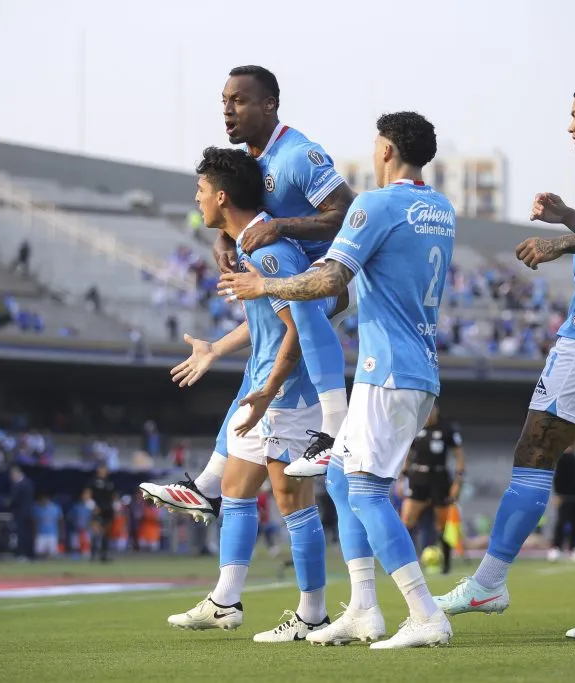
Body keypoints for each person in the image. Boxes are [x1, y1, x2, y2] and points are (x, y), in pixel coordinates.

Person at [432, 75, 575, 640]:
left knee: (534, 449)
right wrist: (569, 216)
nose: (570, 124)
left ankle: (489, 582)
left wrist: (561, 243)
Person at [219, 111, 455, 649]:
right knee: (343, 482)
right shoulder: (441, 208)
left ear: (388, 150)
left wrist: (263, 287)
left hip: (386, 369)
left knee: (367, 491)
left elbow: (332, 277)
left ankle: (425, 613)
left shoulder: (375, 204)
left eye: (376, 144)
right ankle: (364, 610)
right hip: (417, 364)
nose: (373, 152)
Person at [138, 65, 357, 521]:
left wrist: (279, 226)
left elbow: (349, 213)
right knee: (258, 391)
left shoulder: (298, 155)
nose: (227, 110)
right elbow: (241, 210)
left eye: (237, 100)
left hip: (324, 283)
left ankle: (334, 432)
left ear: (269, 104)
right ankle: (206, 489)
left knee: (290, 487)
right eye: (223, 101)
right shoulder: (251, 164)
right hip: (285, 282)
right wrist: (224, 240)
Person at [165, 146, 329, 643]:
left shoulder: (267, 251)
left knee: (292, 501)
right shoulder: (250, 246)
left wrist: (271, 388)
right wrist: (216, 348)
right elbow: (265, 324)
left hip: (287, 397)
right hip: (263, 392)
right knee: (235, 491)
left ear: (220, 196)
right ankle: (224, 602)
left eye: (199, 191)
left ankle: (313, 614)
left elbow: (300, 326)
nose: (196, 199)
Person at [401, 402, 465, 574]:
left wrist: (458, 482)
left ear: (437, 410)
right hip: (418, 478)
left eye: (431, 411)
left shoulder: (447, 429)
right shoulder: (415, 428)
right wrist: (402, 478)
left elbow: (458, 455)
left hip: (440, 479)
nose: (428, 415)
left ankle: (446, 564)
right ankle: (406, 562)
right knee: (406, 520)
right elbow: (407, 453)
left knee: (442, 524)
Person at [548, 444, 575, 562]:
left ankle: (574, 548)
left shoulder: (574, 457)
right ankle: (556, 548)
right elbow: (557, 478)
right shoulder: (561, 458)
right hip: (563, 497)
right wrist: (556, 495)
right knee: (561, 522)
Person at [91, 464, 116, 562]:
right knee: (96, 532)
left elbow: (113, 496)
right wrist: (93, 506)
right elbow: (87, 494)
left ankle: (104, 555)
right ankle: (93, 555)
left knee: (106, 533)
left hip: (108, 510)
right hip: (98, 510)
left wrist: (115, 506)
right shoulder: (93, 482)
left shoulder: (110, 482)